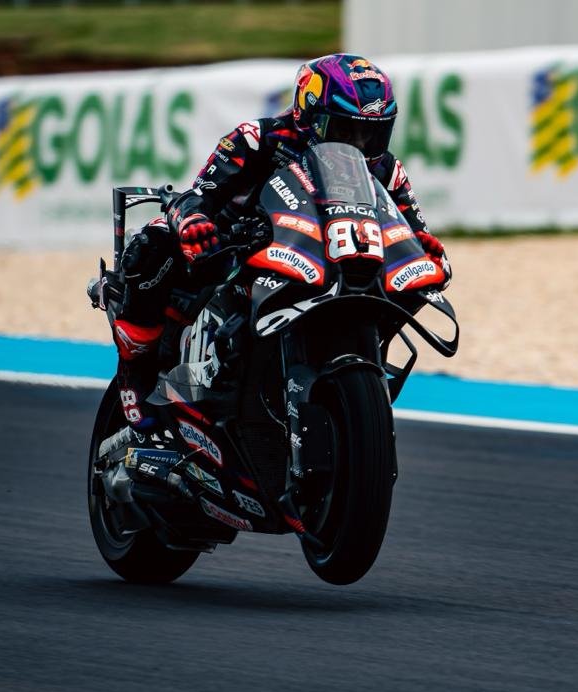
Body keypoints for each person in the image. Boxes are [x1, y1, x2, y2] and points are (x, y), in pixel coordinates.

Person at [105, 53, 451, 431]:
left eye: (372, 133)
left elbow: (416, 232)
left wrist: (426, 253)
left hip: (328, 264)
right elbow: (196, 196)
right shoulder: (258, 139)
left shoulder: (386, 168)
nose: (359, 143)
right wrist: (194, 222)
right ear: (307, 114)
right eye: (344, 130)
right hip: (238, 251)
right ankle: (134, 371)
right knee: (155, 239)